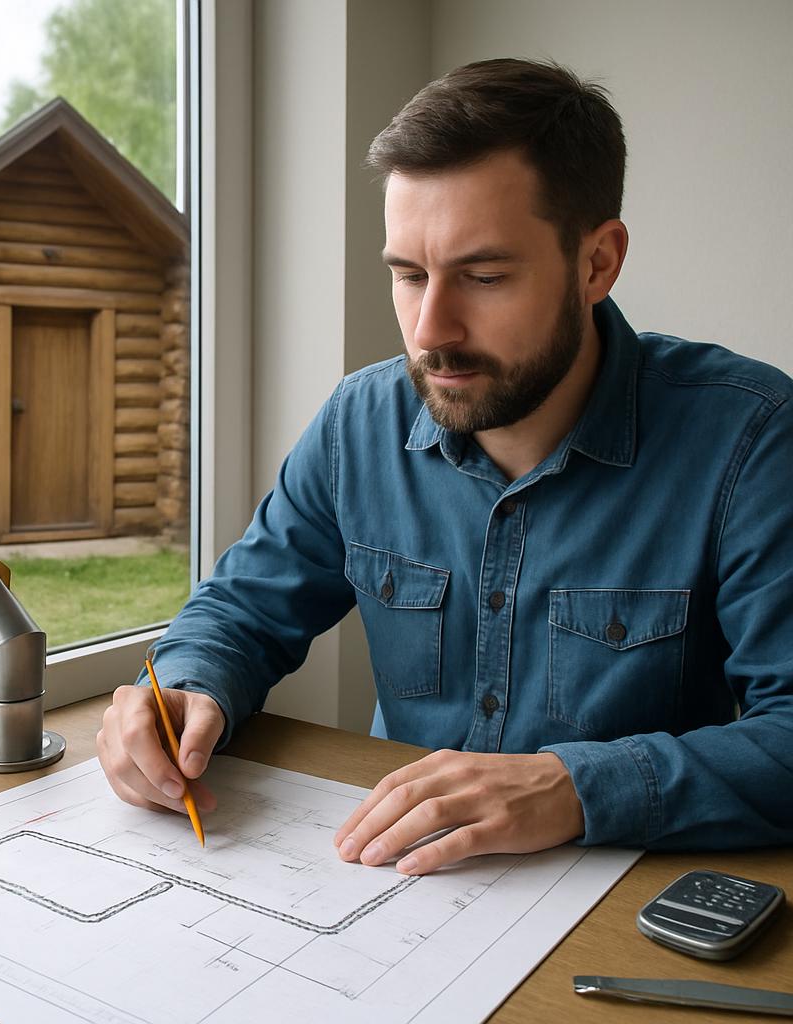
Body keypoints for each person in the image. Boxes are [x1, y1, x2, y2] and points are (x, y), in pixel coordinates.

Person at [97, 58, 793, 874]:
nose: (431, 330)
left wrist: (572, 787)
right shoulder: (358, 423)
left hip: (620, 898)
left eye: (485, 275)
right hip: (392, 887)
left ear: (597, 263)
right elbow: (242, 610)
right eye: (409, 274)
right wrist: (185, 689)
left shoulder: (750, 438)